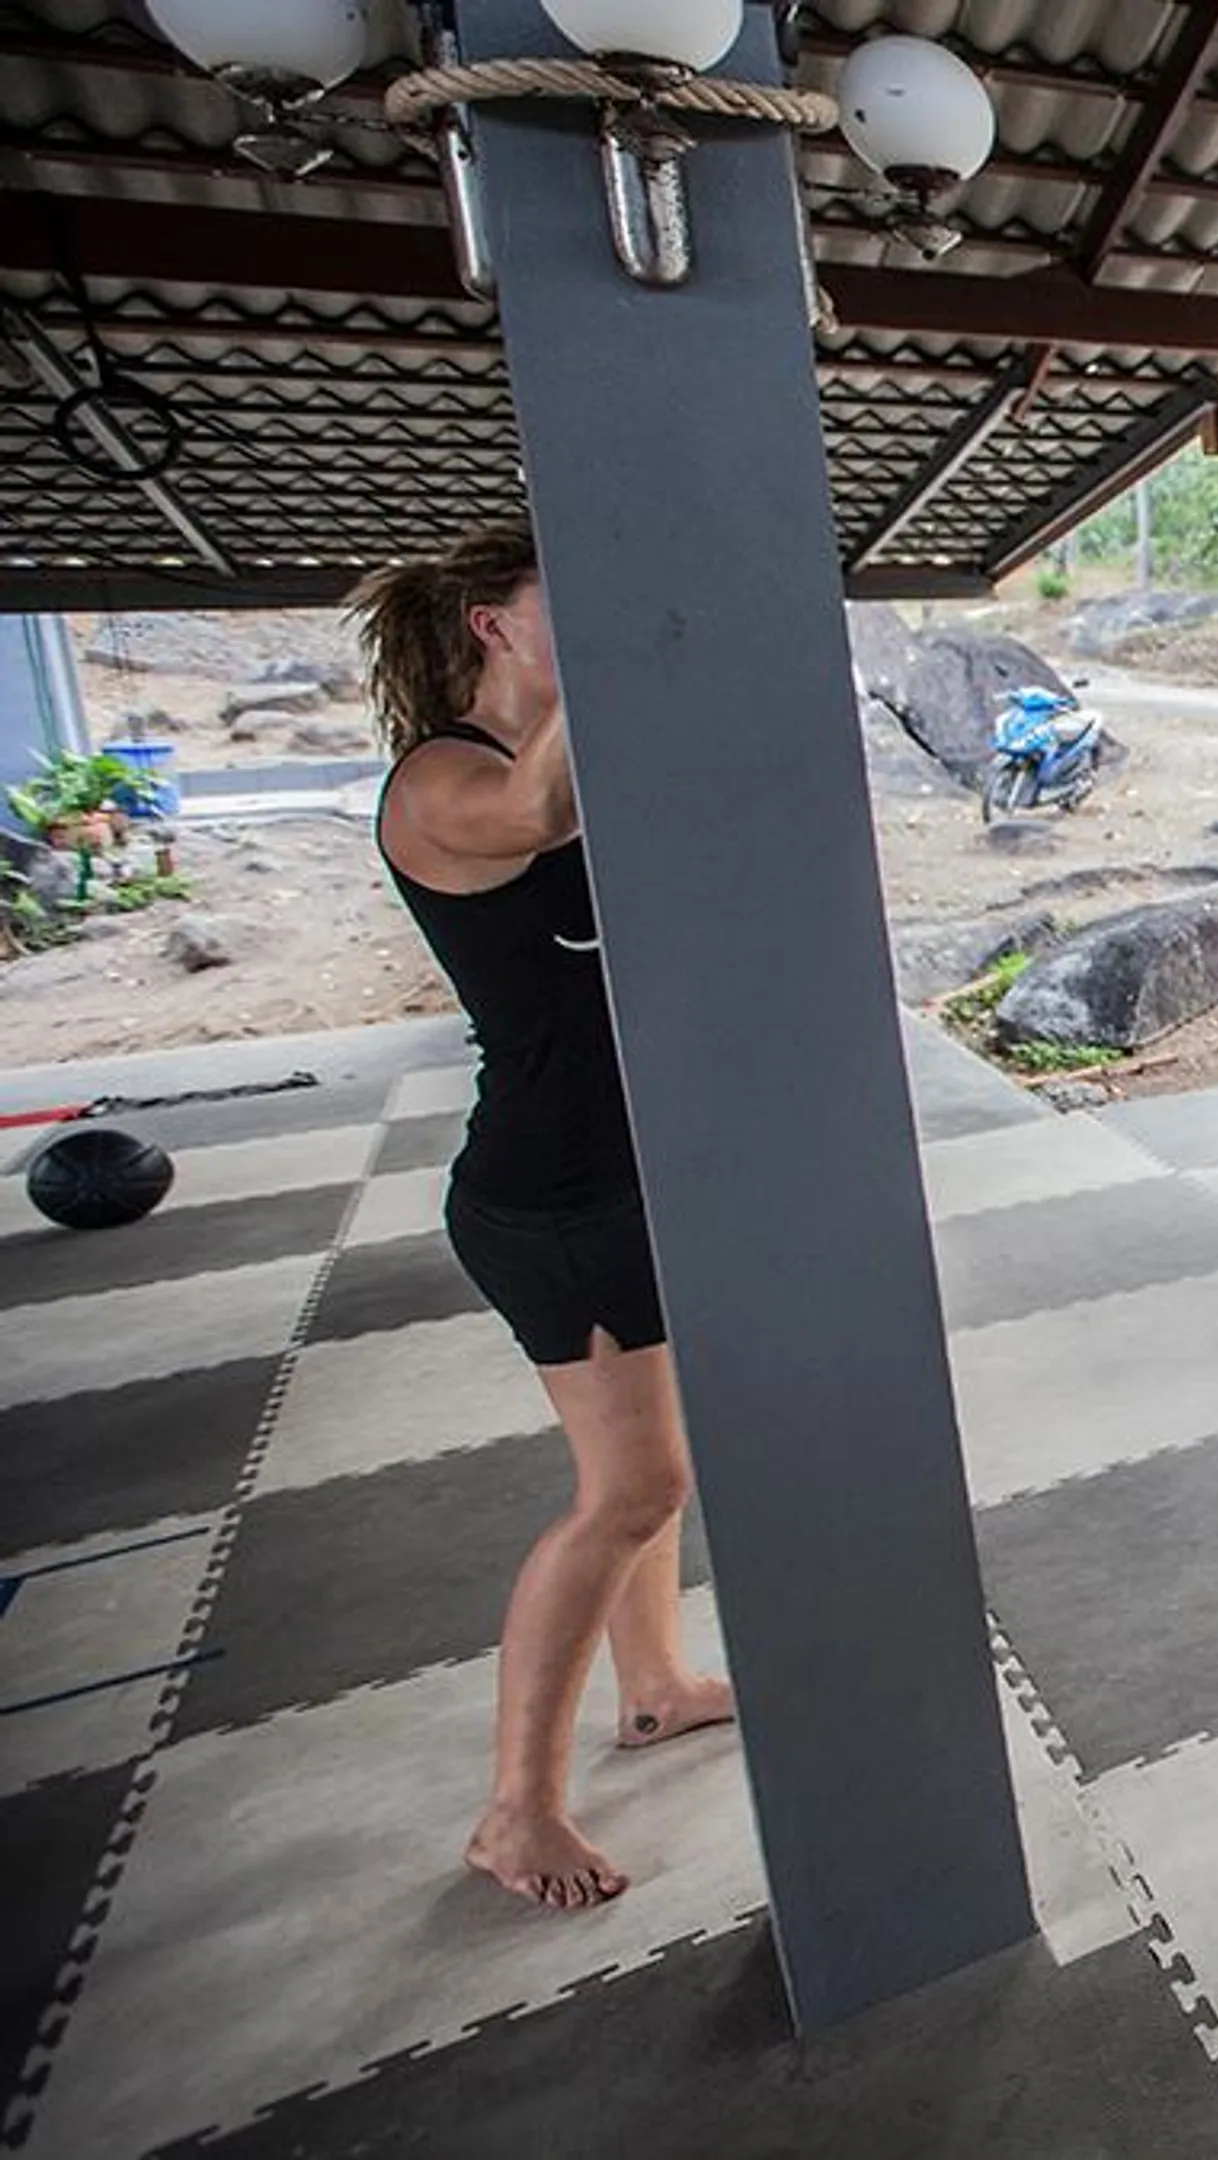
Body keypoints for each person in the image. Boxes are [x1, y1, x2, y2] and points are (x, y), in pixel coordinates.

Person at [352, 524, 731, 1910]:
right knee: (634, 1488)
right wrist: (622, 642)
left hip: (621, 1180)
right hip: (547, 1197)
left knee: (656, 1463)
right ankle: (515, 1813)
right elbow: (537, 814)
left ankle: (657, 1685)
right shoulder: (444, 783)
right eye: (565, 599)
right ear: (494, 626)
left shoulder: (547, 759)